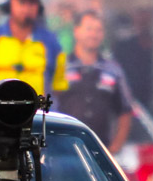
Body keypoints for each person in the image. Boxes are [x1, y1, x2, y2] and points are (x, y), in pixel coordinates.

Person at [56, 11, 133, 154]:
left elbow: (125, 111)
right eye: (89, 29)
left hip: (99, 150)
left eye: (98, 30)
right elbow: (48, 105)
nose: (93, 34)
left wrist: (114, 148)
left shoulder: (113, 69)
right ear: (76, 31)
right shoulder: (61, 66)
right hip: (64, 150)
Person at [112, 7, 153, 111]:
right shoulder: (124, 46)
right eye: (140, 20)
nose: (143, 24)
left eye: (146, 20)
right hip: (131, 100)